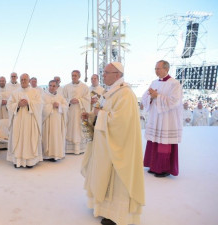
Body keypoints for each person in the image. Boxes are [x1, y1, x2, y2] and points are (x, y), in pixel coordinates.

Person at [81, 62, 145, 225]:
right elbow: (103, 112)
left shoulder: (125, 94)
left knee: (116, 178)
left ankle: (117, 214)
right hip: (105, 144)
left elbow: (120, 122)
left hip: (118, 146)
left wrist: (99, 114)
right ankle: (104, 208)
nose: (103, 75)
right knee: (104, 175)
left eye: (106, 72)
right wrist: (90, 116)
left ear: (117, 75)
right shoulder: (110, 92)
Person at [142, 60, 183, 177]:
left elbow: (174, 101)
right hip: (155, 117)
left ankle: (163, 169)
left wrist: (157, 96)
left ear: (166, 69)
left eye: (158, 68)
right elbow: (145, 97)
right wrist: (150, 96)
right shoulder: (154, 82)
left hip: (167, 119)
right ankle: (153, 166)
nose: (156, 71)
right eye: (155, 68)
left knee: (164, 143)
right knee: (154, 140)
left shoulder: (174, 84)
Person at [7, 73, 43, 168]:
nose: (23, 81)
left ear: (29, 80)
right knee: (18, 138)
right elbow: (9, 105)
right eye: (22, 79)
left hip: (30, 121)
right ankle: (17, 160)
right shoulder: (15, 92)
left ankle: (30, 162)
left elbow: (40, 104)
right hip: (18, 121)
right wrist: (17, 105)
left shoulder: (35, 92)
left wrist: (29, 103)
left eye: (25, 79)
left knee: (29, 138)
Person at [63, 70, 90, 154]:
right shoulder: (66, 87)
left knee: (78, 128)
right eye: (72, 75)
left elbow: (87, 99)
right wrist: (69, 101)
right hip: (70, 111)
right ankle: (69, 149)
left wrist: (79, 100)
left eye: (75, 75)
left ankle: (79, 149)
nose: (73, 77)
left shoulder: (84, 87)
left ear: (79, 76)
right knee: (70, 127)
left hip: (79, 110)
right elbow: (63, 98)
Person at [42, 80, 67, 161]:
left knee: (56, 137)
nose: (51, 87)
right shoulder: (43, 95)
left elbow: (66, 107)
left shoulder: (60, 96)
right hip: (47, 121)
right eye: (50, 85)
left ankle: (55, 154)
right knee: (47, 137)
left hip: (57, 121)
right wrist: (51, 106)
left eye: (53, 86)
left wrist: (59, 106)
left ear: (57, 87)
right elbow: (41, 108)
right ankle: (46, 155)